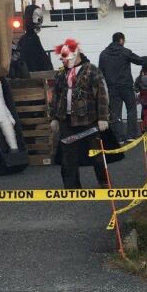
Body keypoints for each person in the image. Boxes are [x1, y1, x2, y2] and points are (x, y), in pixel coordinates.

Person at [50, 39, 111, 189]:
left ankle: (104, 182)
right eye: (62, 59)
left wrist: (103, 118)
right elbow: (56, 97)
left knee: (97, 155)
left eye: (67, 58)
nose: (64, 61)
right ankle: (72, 188)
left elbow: (102, 95)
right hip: (67, 121)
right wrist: (55, 118)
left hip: (89, 120)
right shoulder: (60, 74)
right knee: (68, 157)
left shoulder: (92, 70)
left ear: (76, 55)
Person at [98, 32, 147, 143]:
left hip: (112, 88)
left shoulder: (103, 54)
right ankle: (131, 135)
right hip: (126, 87)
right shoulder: (125, 52)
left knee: (115, 113)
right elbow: (139, 60)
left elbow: (100, 72)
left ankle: (119, 137)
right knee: (131, 109)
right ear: (121, 40)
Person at [16, 4, 53, 72]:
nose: (40, 23)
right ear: (30, 19)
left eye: (41, 19)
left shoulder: (27, 39)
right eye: (38, 19)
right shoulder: (30, 40)